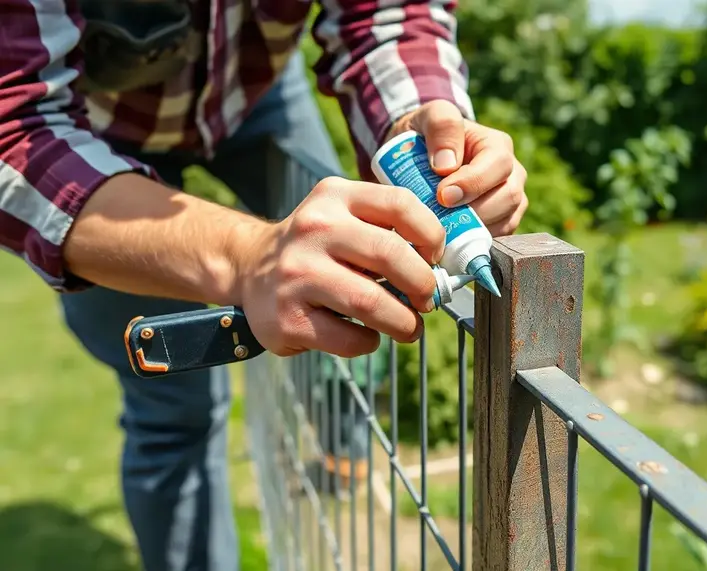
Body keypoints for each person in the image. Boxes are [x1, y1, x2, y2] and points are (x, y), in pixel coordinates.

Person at [0, 1, 528, 570]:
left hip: (257, 96)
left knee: (348, 272)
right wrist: (249, 257)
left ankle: (345, 448)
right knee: (173, 410)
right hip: (88, 128)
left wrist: (421, 124)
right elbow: (12, 128)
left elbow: (385, 17)